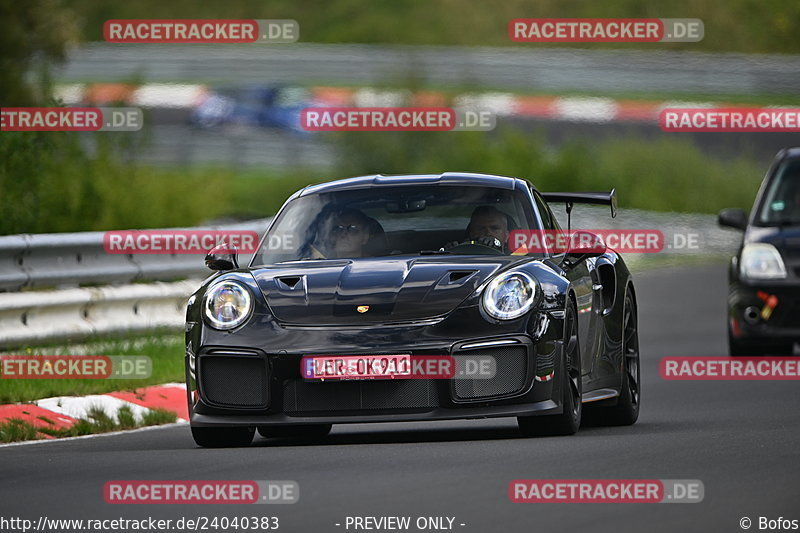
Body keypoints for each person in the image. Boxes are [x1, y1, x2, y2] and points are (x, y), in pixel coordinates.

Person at [308, 208, 381, 259]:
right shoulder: (318, 264)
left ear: (365, 237)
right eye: (338, 228)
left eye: (352, 228)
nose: (343, 234)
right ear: (331, 236)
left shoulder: (376, 266)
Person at [443, 205, 512, 252]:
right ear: (472, 234)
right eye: (481, 228)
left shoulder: (517, 259)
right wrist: (451, 253)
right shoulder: (461, 252)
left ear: (507, 235)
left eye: (494, 228)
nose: (488, 233)